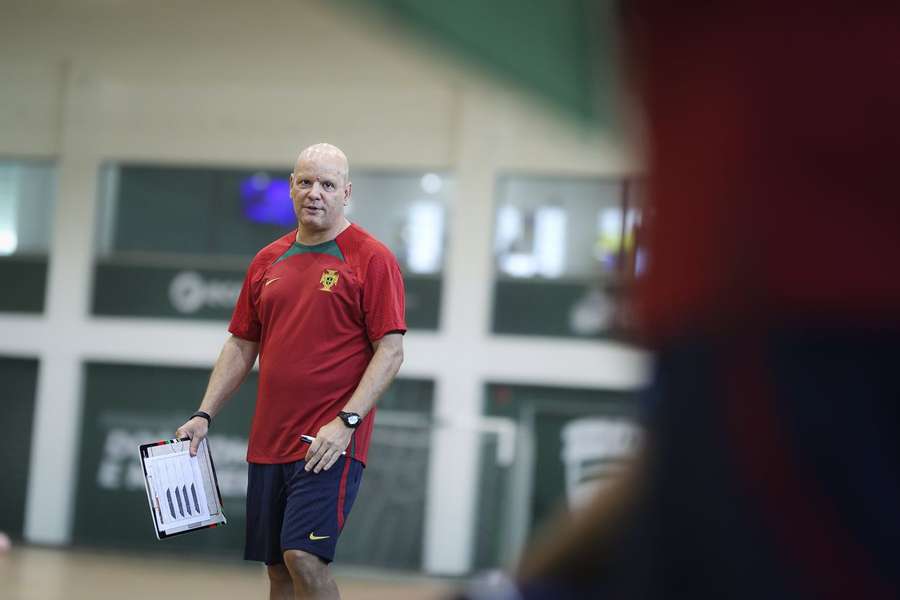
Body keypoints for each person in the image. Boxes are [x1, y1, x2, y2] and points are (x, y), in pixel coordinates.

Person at [175, 143, 406, 600]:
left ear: (346, 192)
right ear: (291, 189)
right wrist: (204, 414)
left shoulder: (371, 258)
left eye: (327, 184)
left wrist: (347, 422)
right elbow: (242, 343)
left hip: (329, 444)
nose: (315, 193)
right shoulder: (266, 261)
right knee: (279, 571)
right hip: (268, 443)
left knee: (304, 557)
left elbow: (392, 352)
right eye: (305, 182)